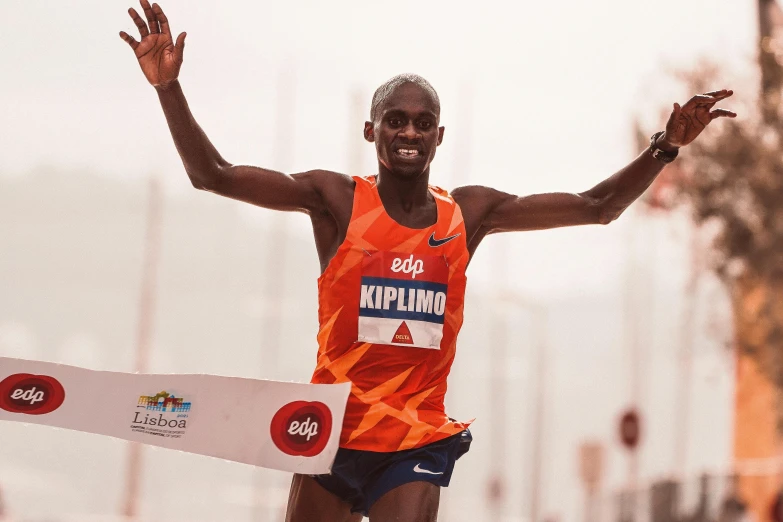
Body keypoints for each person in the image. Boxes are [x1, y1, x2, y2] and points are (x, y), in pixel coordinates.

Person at [119, 2, 736, 520]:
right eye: (395, 120)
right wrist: (167, 86)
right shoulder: (335, 201)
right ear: (371, 131)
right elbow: (212, 175)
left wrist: (666, 147)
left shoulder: (468, 213)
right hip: (330, 431)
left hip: (414, 437)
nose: (408, 132)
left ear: (441, 136)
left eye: (423, 122)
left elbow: (597, 207)